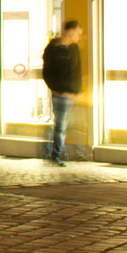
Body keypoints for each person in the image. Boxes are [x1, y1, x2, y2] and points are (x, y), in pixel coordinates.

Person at [42, 20, 83, 166]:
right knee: (60, 124)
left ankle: (52, 150)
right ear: (68, 31)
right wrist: (57, 88)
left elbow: (77, 70)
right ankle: (55, 154)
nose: (77, 37)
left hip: (70, 93)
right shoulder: (54, 48)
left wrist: (76, 90)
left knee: (62, 124)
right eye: (76, 33)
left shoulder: (73, 47)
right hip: (60, 93)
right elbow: (48, 71)